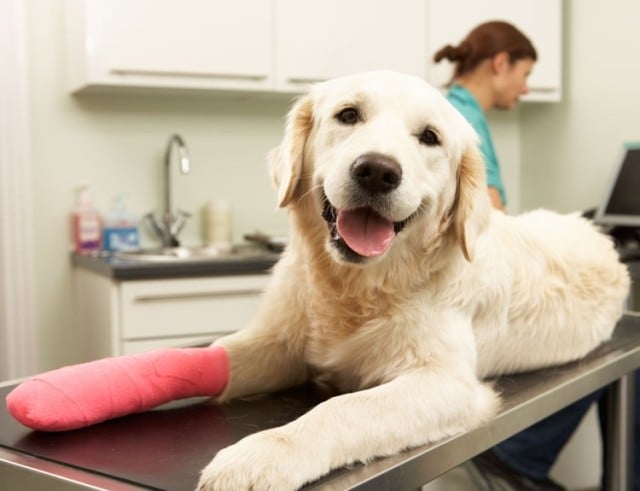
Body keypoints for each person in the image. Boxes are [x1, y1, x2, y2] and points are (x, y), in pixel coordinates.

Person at [434, 20, 640, 491]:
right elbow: (485, 224)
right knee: (603, 339)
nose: (526, 88)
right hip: (459, 303)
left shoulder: (455, 113)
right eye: (524, 74)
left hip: (458, 293)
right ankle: (519, 457)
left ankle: (524, 458)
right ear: (500, 63)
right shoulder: (460, 122)